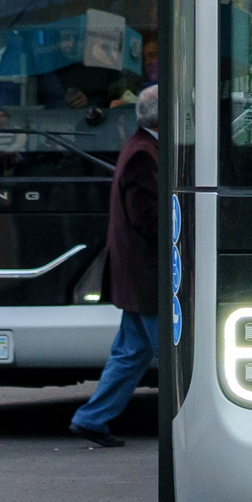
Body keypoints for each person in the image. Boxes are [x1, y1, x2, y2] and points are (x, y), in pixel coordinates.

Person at [69, 85, 160, 448]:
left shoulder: (140, 146)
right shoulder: (144, 153)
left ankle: (91, 418)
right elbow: (146, 216)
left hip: (136, 273)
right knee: (174, 355)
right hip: (147, 275)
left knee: (131, 352)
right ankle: (194, 426)